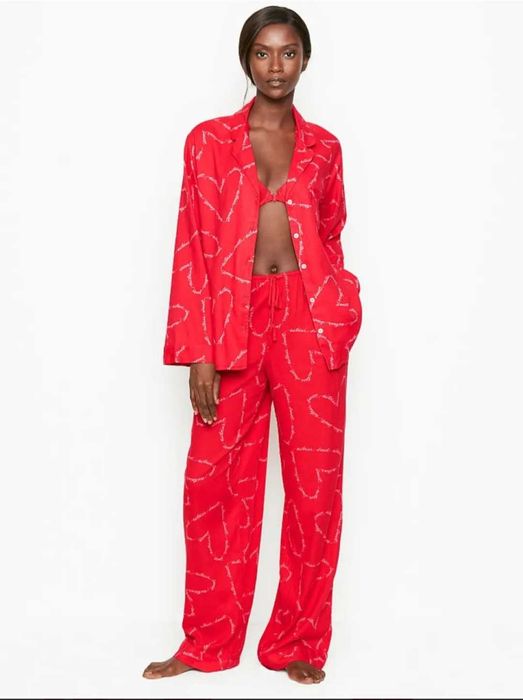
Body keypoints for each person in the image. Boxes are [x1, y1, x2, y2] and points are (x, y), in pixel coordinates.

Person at [143, 5, 362, 686]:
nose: (275, 66)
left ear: (305, 60)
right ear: (246, 60)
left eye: (288, 52)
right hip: (230, 322)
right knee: (214, 482)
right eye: (263, 53)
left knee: (314, 491)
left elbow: (331, 233)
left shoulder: (324, 147)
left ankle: (298, 639)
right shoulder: (208, 142)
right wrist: (198, 350)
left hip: (308, 319)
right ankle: (207, 640)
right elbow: (192, 242)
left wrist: (338, 308)